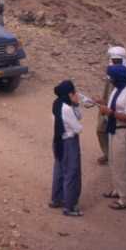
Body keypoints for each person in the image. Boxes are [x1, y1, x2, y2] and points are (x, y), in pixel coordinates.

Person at [98, 62, 126, 209]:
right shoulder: (118, 89)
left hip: (123, 130)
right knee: (115, 163)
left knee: (123, 165)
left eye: (112, 77)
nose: (110, 80)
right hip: (114, 128)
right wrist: (102, 103)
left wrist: (111, 113)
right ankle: (119, 190)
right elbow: (115, 106)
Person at [50, 80, 84, 217]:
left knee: (59, 170)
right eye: (74, 92)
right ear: (69, 93)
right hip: (69, 142)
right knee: (71, 173)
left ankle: (56, 199)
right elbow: (78, 128)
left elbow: (78, 116)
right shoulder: (67, 109)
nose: (76, 94)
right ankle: (69, 206)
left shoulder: (57, 103)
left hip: (58, 140)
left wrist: (75, 104)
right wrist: (76, 105)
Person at [96, 46, 126, 165]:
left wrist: (111, 110)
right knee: (100, 130)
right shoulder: (112, 70)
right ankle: (108, 154)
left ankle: (116, 158)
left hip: (118, 111)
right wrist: (102, 101)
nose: (114, 62)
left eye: (117, 60)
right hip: (107, 106)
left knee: (116, 134)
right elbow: (108, 90)